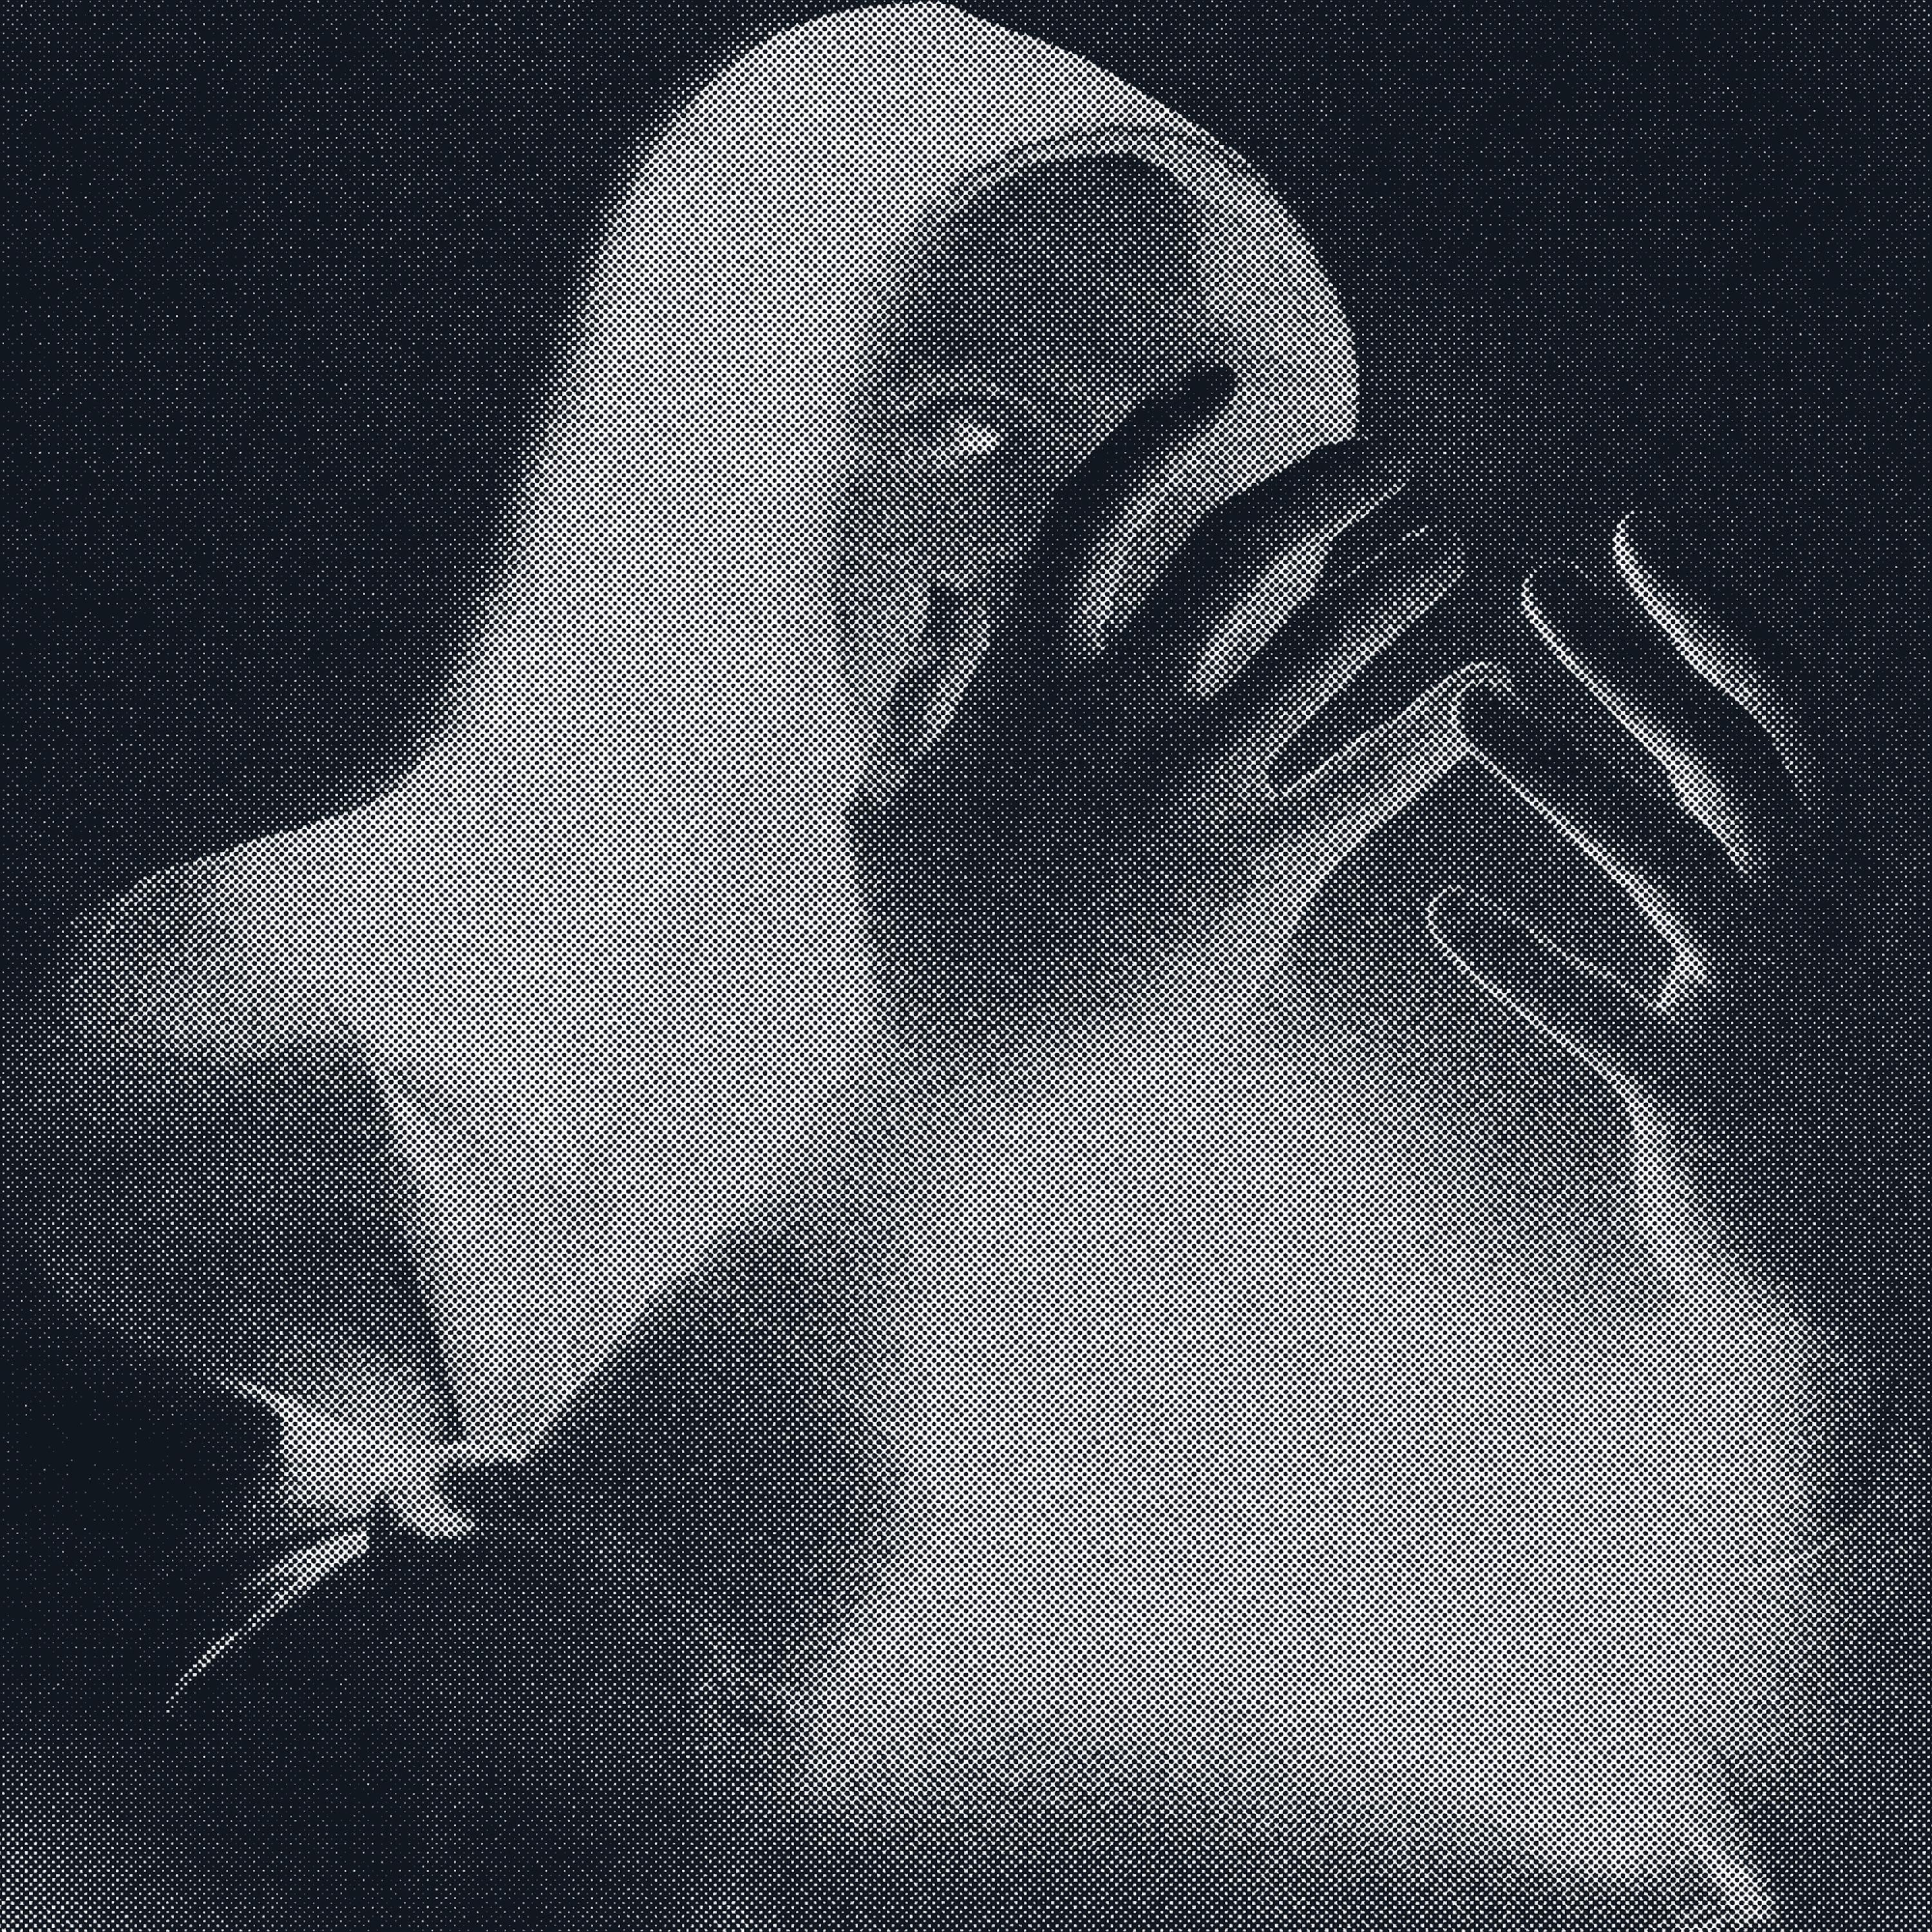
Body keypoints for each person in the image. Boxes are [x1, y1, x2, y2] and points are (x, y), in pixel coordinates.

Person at [4, 8, 1923, 1928]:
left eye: (1217, 484)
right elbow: (297, 1830)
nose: (1082, 571)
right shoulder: (277, 1047)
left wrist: (1806, 1328)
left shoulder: (1297, 1214)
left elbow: (1628, 1872)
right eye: (977, 434)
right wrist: (942, 1093)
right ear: (710, 443)